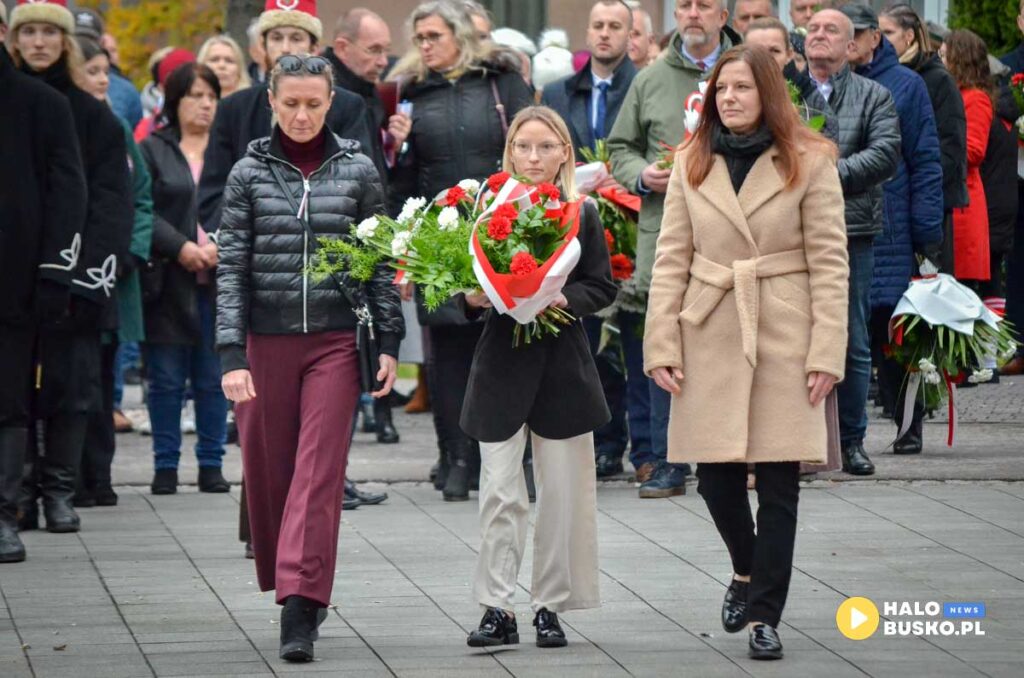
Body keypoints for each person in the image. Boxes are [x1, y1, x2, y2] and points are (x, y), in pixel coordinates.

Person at [644, 44, 848, 661]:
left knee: (781, 482)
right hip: (709, 328)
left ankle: (765, 616)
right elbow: (670, 257)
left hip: (785, 326)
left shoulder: (810, 160)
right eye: (721, 89)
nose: (728, 98)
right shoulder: (691, 160)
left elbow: (832, 263)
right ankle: (744, 568)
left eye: (742, 88)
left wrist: (827, 351)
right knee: (716, 482)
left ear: (769, 93)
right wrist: (661, 341)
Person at [216, 53, 403, 663]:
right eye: (290, 103)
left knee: (318, 471)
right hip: (263, 343)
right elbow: (231, 270)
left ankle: (302, 602)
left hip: (335, 341)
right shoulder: (246, 173)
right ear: (270, 101)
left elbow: (379, 264)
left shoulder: (357, 170)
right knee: (269, 476)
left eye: (313, 104)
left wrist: (390, 344)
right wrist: (229, 353)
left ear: (331, 104)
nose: (301, 114)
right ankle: (292, 582)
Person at [462, 106, 617, 649]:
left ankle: (549, 606)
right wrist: (472, 296)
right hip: (501, 365)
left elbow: (601, 286)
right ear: (509, 152)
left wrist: (557, 299)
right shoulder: (485, 211)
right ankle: (496, 606)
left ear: (564, 155)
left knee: (562, 495)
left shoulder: (582, 211)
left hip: (562, 369)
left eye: (545, 147)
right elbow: (460, 286)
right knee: (500, 493)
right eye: (523, 147)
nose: (533, 158)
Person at [388, 0, 533, 501]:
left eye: (433, 35)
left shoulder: (500, 80)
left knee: (509, 346)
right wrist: (397, 147)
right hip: (437, 237)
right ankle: (455, 459)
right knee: (447, 354)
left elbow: (532, 145)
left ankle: (518, 459)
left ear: (459, 37)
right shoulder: (409, 91)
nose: (424, 45)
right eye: (419, 37)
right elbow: (401, 178)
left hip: (500, 228)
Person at [608, 0, 742, 498]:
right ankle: (667, 461)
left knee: (728, 339)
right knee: (664, 340)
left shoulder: (746, 70)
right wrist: (642, 174)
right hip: (665, 230)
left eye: (703, 5)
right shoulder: (651, 78)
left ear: (722, 16)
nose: (691, 13)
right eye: (683, 5)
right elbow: (620, 146)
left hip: (733, 232)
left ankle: (731, 454)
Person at [10, 0, 133, 536]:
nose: (38, 42)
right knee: (12, 389)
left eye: (48, 33)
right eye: (28, 32)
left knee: (68, 384)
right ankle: (18, 492)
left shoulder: (94, 116)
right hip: (15, 278)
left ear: (65, 42)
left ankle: (60, 488)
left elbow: (112, 201)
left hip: (75, 274)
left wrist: (86, 275)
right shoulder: (11, 104)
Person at [0, 3, 88, 562]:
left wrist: (56, 271)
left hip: (13, 284)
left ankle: (4, 515)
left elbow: (69, 191)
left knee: (7, 403)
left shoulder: (42, 105)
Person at [542, 0, 644, 480]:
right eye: (598, 26)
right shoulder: (558, 92)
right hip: (573, 225)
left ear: (631, 34)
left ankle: (641, 444)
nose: (605, 34)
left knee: (631, 334)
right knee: (590, 335)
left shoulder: (643, 86)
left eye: (615, 27)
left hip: (631, 222)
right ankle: (604, 443)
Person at [843, 3, 944, 457]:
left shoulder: (907, 85)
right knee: (855, 329)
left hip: (895, 225)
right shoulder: (828, 87)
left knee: (896, 330)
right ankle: (849, 435)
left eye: (856, 34)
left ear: (872, 40)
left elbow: (925, 159)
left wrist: (927, 230)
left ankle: (908, 424)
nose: (845, 43)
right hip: (847, 224)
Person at [804, 8, 900, 476]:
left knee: (853, 337)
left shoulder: (874, 95)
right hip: (790, 230)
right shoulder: (784, 92)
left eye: (831, 31)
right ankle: (802, 439)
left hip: (851, 229)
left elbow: (884, 155)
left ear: (854, 46)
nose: (819, 36)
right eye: (813, 29)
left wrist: (820, 177)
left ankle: (853, 438)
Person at [197, 0, 373, 235]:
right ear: (263, 45)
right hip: (252, 252)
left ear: (315, 46)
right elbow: (213, 194)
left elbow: (363, 187)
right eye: (277, 38)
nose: (286, 47)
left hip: (326, 249)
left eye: (297, 38)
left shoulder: (347, 106)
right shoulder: (233, 109)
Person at [137, 63, 229, 495]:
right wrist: (182, 247)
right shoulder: (153, 149)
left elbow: (246, 205)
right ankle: (165, 466)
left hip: (220, 278)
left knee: (214, 377)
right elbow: (142, 209)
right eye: (195, 95)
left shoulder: (229, 151)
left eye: (211, 95)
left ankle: (212, 463)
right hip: (167, 280)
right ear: (175, 101)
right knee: (167, 378)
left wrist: (217, 247)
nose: (205, 104)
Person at [75, 37, 154, 507]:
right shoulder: (57, 120)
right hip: (65, 271)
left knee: (104, 379)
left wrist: (130, 251)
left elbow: (140, 196)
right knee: (71, 381)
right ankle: (64, 476)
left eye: (106, 69)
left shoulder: (117, 127)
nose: (105, 79)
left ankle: (99, 477)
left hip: (112, 273)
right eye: (93, 70)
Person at [879, 2, 968, 277]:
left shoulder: (936, 79)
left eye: (887, 32)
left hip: (929, 202)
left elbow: (951, 146)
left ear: (909, 36)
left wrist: (915, 183)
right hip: (889, 203)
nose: (879, 40)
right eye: (876, 32)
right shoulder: (875, 77)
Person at [941, 30, 994, 286]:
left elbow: (974, 150)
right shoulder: (954, 94)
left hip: (966, 202)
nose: (940, 61)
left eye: (944, 55)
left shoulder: (976, 99)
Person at [744, 17, 837, 141]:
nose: (766, 58)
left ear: (789, 55)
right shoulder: (725, 90)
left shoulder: (808, 95)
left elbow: (830, 141)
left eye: (774, 51)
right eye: (757, 51)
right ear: (743, 54)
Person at [999, 0, 1024, 376]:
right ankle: (1019, 344)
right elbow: (999, 108)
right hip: (1020, 179)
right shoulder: (1007, 66)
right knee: (1019, 262)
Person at [73, 7, 142, 128]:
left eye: (91, 40)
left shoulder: (125, 91)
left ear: (101, 43)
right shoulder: (50, 86)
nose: (83, 46)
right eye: (77, 40)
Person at [625, 1, 658, 69]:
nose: (629, 40)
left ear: (650, 40)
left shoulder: (657, 76)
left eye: (635, 34)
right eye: (625, 34)